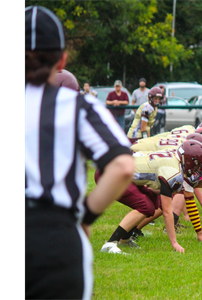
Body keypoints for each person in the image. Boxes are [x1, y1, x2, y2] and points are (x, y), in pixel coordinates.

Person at [24, 6, 135, 299]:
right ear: (62, 60)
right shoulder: (77, 106)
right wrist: (84, 216)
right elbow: (123, 165)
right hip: (55, 238)